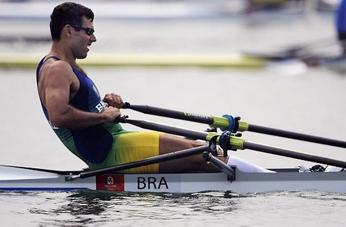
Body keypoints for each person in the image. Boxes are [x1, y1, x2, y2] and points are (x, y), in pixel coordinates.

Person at [36, 2, 271, 174]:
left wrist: (106, 106)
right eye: (89, 31)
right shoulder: (57, 69)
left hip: (115, 140)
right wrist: (102, 117)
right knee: (209, 154)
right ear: (68, 31)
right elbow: (59, 115)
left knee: (198, 148)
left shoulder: (66, 65)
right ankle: (265, 181)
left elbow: (77, 106)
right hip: (110, 151)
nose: (93, 38)